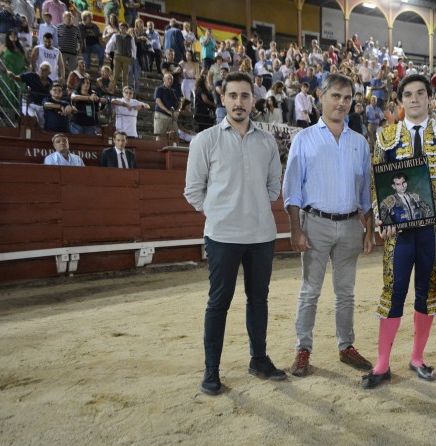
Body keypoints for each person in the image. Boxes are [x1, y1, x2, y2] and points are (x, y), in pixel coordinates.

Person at [361, 74, 436, 389]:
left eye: (421, 93)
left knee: (427, 291)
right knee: (392, 290)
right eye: (409, 94)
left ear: (431, 98)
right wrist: (382, 217)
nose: (415, 99)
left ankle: (417, 357)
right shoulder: (386, 137)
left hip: (434, 230)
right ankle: (382, 364)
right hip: (399, 231)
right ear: (400, 100)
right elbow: (376, 184)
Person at [184, 71, 286, 395]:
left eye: (245, 96)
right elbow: (193, 191)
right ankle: (211, 371)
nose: (239, 102)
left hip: (261, 236)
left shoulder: (268, 141)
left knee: (259, 300)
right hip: (222, 237)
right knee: (219, 303)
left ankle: (258, 360)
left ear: (253, 100)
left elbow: (274, 188)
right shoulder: (205, 140)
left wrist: (249, 208)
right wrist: (219, 213)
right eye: (233, 95)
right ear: (223, 98)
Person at [282, 74, 375, 378]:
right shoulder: (304, 138)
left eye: (347, 98)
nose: (341, 103)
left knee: (346, 292)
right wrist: (296, 229)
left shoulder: (360, 143)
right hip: (315, 224)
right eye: (335, 96)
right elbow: (293, 189)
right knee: (310, 291)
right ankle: (303, 348)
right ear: (321, 96)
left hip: (350, 225)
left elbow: (365, 193)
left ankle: (346, 345)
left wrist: (369, 230)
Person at [105, 22, 135, 94]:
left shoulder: (130, 38)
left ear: (126, 29)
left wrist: (133, 57)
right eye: (121, 28)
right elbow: (110, 43)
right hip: (117, 56)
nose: (122, 29)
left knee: (125, 76)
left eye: (124, 28)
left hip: (126, 57)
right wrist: (107, 52)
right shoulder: (115, 36)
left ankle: (124, 92)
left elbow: (134, 48)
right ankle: (112, 89)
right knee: (115, 74)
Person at [153, 72, 181, 140]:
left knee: (176, 135)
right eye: (168, 79)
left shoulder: (174, 91)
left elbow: (180, 103)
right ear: (164, 79)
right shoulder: (159, 89)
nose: (170, 80)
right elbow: (158, 101)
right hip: (161, 114)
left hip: (172, 116)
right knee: (160, 135)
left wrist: (177, 111)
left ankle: (174, 149)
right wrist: (167, 111)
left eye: (171, 79)